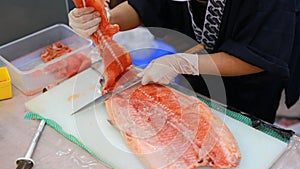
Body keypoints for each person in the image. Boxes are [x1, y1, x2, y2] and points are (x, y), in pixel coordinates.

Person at [68, 0, 300, 124]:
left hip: (252, 84)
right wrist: (104, 20)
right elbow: (144, 6)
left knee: (247, 130)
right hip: (197, 75)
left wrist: (181, 63)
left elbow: (259, 54)